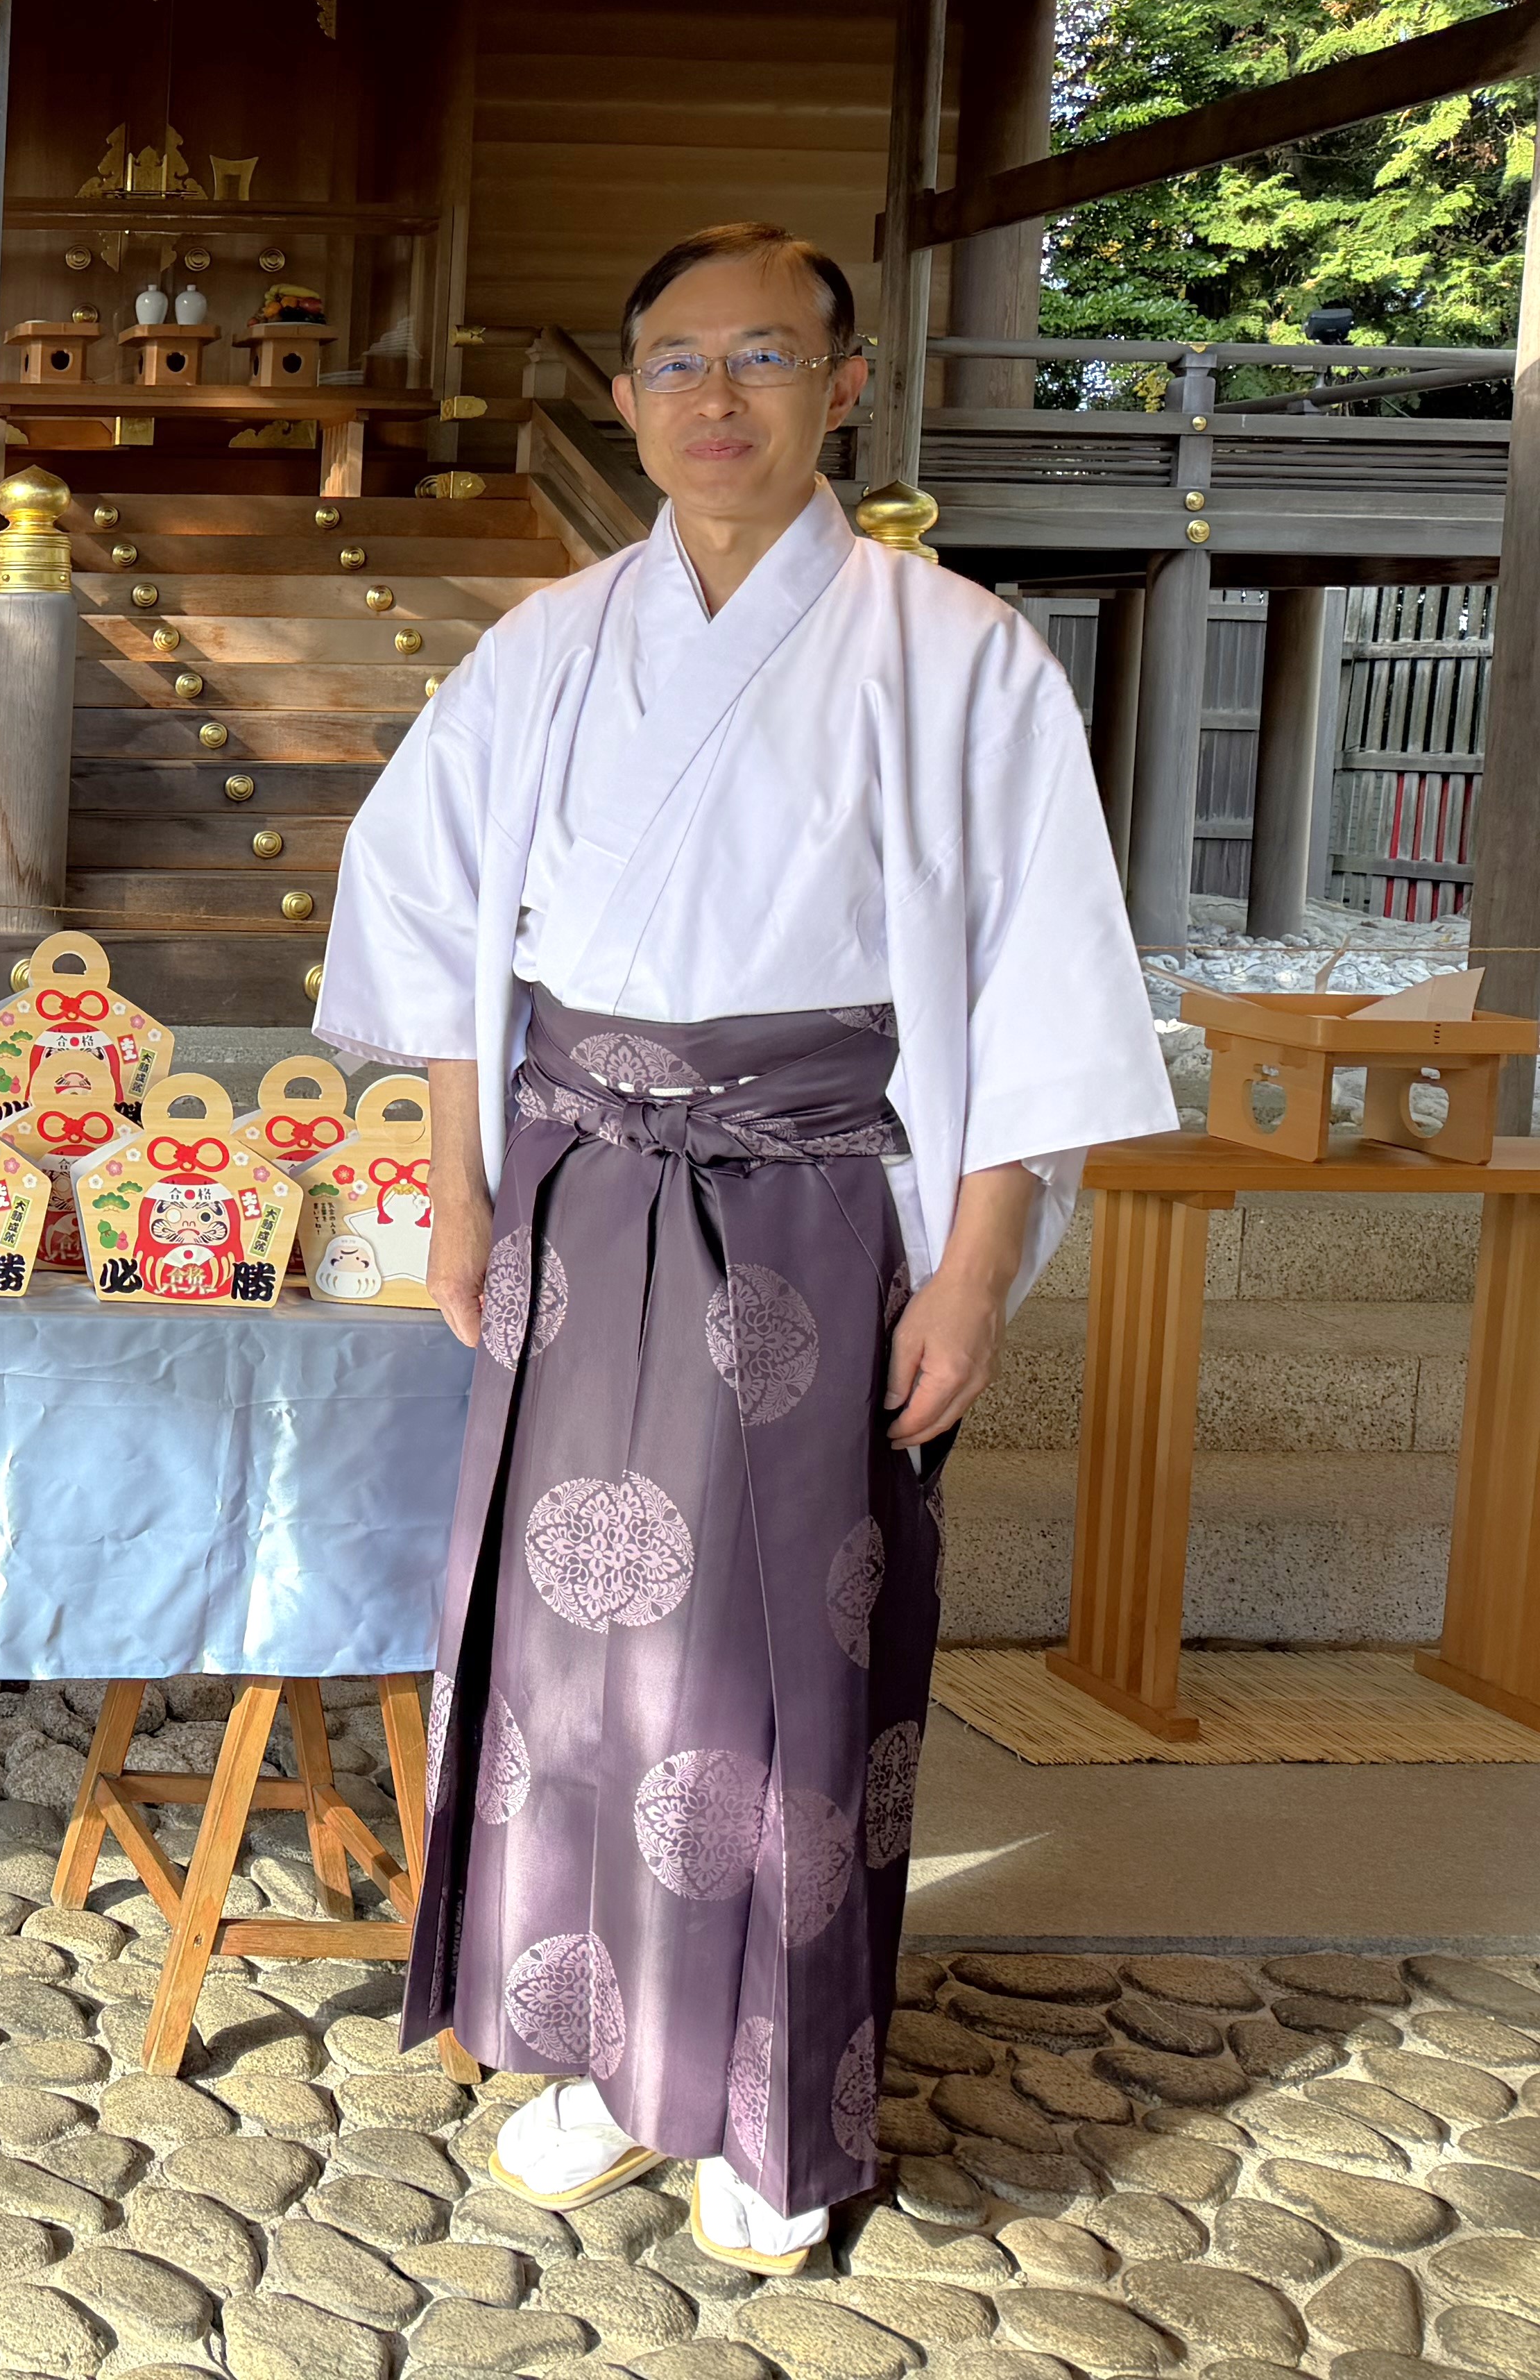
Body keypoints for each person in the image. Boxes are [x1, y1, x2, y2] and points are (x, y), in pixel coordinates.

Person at [316, 223, 1170, 2272]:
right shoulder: (548, 642)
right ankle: (609, 2060)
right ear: (624, 399)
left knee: (786, 1653)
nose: (718, 399)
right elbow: (434, 927)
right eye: (677, 360)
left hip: (815, 1197)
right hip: (582, 1187)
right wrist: (455, 1186)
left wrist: (972, 1267)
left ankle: (779, 2104)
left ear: (844, 384)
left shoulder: (960, 653)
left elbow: (1039, 973)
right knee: (570, 1654)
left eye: (765, 356)